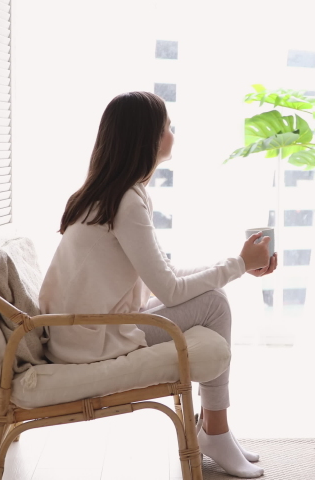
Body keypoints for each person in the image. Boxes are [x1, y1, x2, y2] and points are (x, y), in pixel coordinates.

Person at [38, 91, 277, 478]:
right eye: (167, 127)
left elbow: (165, 274)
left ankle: (214, 430)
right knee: (215, 303)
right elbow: (170, 290)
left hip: (83, 331)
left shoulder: (112, 194)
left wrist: (241, 265)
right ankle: (215, 432)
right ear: (146, 138)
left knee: (213, 297)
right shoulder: (127, 201)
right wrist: (238, 264)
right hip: (92, 339)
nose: (172, 134)